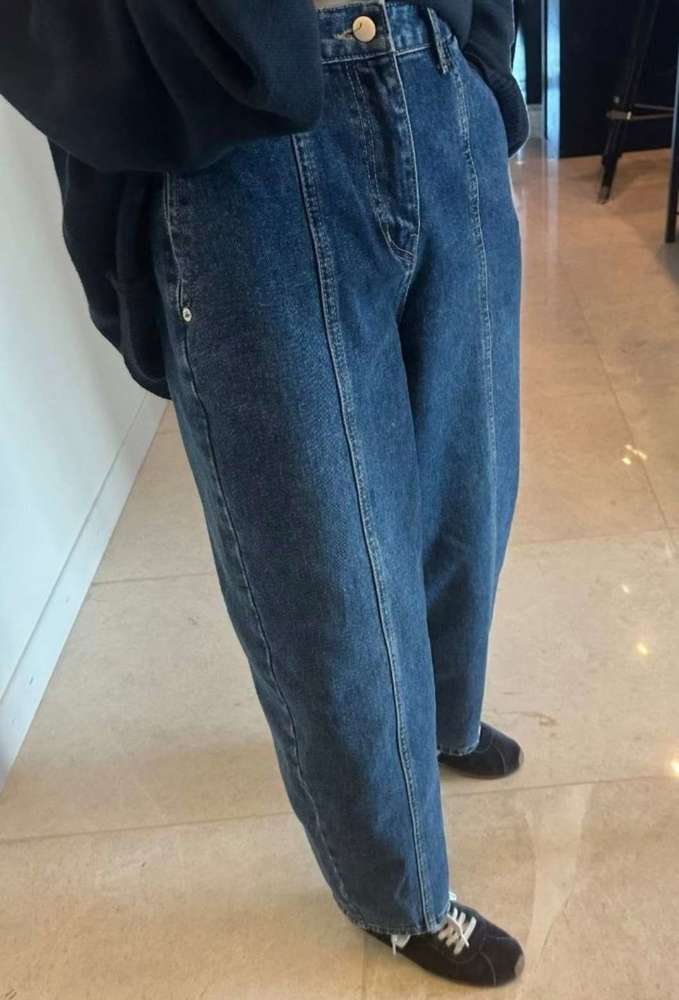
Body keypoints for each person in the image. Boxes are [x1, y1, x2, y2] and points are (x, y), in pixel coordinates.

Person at [1, 0, 528, 988]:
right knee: (332, 574)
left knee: (471, 480)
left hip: (435, 73)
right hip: (242, 146)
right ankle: (399, 892)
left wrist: (481, 65)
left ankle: (445, 721)